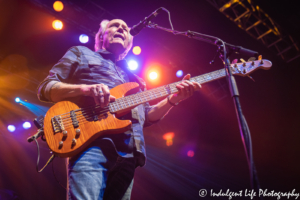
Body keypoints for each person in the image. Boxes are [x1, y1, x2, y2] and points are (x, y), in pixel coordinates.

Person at [37, 19, 201, 200]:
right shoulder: (80, 53)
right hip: (92, 145)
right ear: (101, 35)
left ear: (128, 45)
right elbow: (46, 88)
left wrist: (173, 99)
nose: (122, 29)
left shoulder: (136, 81)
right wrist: (87, 89)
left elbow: (145, 116)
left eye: (126, 28)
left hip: (129, 155)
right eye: (115, 25)